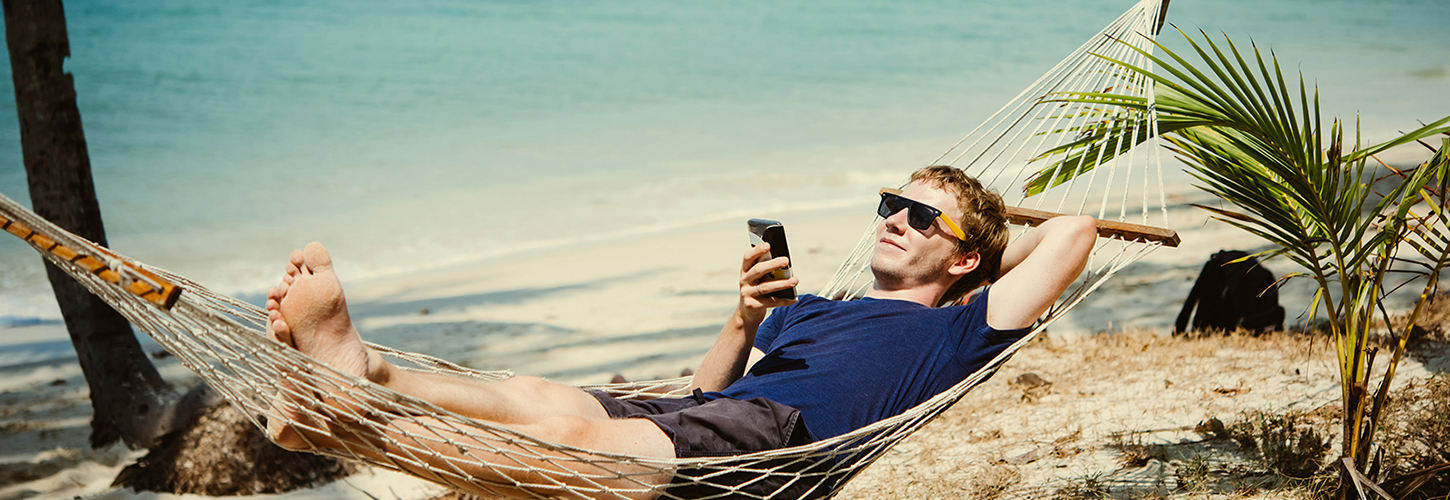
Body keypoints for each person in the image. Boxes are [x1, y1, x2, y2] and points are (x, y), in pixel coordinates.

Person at [262, 165, 1096, 499]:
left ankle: (349, 419)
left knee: (570, 442)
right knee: (532, 393)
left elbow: (1074, 233)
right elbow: (715, 386)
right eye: (890, 205)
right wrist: (743, 317)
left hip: (785, 448)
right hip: (717, 416)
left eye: (920, 217)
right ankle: (364, 372)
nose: (895, 221)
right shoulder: (817, 310)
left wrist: (984, 248)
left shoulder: (964, 332)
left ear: (963, 261)